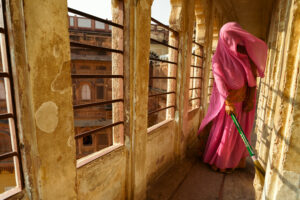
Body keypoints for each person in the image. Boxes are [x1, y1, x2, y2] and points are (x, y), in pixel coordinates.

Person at [198, 22, 268, 173]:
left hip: (243, 101)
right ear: (224, 39)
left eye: (235, 39)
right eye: (230, 39)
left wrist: (249, 98)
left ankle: (234, 162)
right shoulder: (218, 58)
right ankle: (220, 163)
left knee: (238, 134)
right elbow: (219, 81)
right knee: (226, 134)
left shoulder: (244, 56)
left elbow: (252, 79)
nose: (234, 43)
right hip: (229, 103)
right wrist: (227, 102)